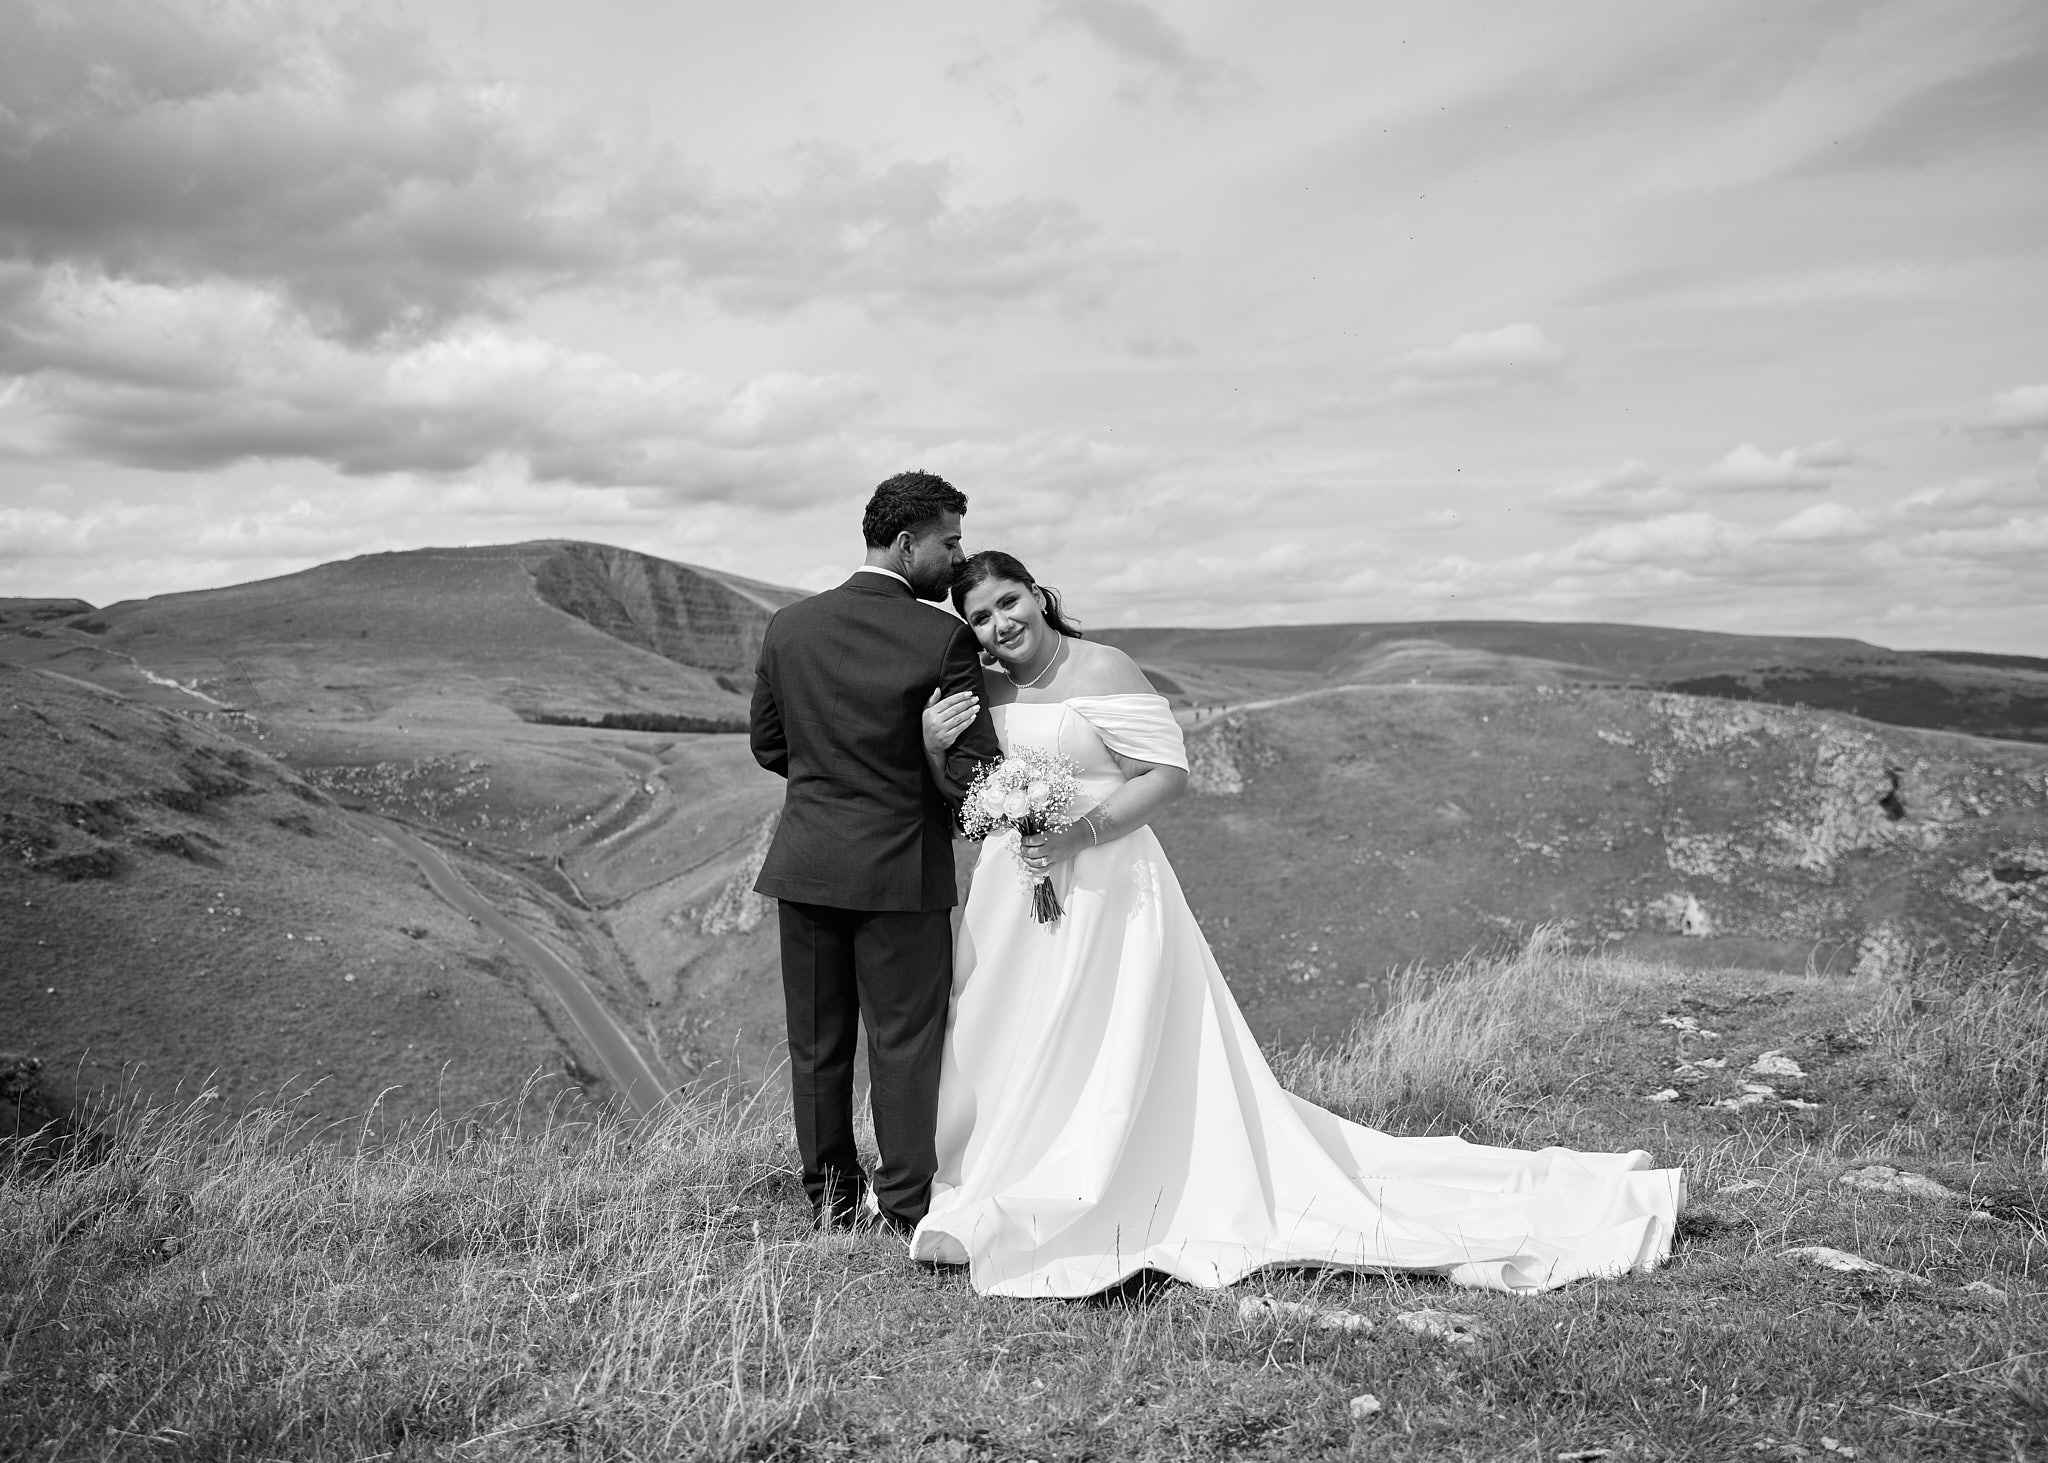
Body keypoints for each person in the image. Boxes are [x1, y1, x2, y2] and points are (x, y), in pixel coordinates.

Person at [910, 549, 1684, 1297]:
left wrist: (1079, 835)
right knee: (1004, 1027)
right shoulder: (984, 691)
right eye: (977, 618)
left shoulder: (1103, 666)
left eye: (1006, 602)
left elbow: (1166, 775)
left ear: (1037, 594)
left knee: (1105, 1030)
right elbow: (967, 791)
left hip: (1110, 880)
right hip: (1018, 889)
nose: (996, 625)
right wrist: (933, 746)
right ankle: (1003, 1169)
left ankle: (1107, 1174)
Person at [748, 472, 1002, 1233]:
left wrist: (834, 775)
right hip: (901, 871)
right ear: (905, 542)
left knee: (818, 1045)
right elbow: (970, 770)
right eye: (949, 541)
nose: (957, 559)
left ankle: (830, 1199)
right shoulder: (942, 637)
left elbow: (767, 744)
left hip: (809, 866)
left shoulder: (788, 626)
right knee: (903, 1045)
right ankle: (902, 1207)